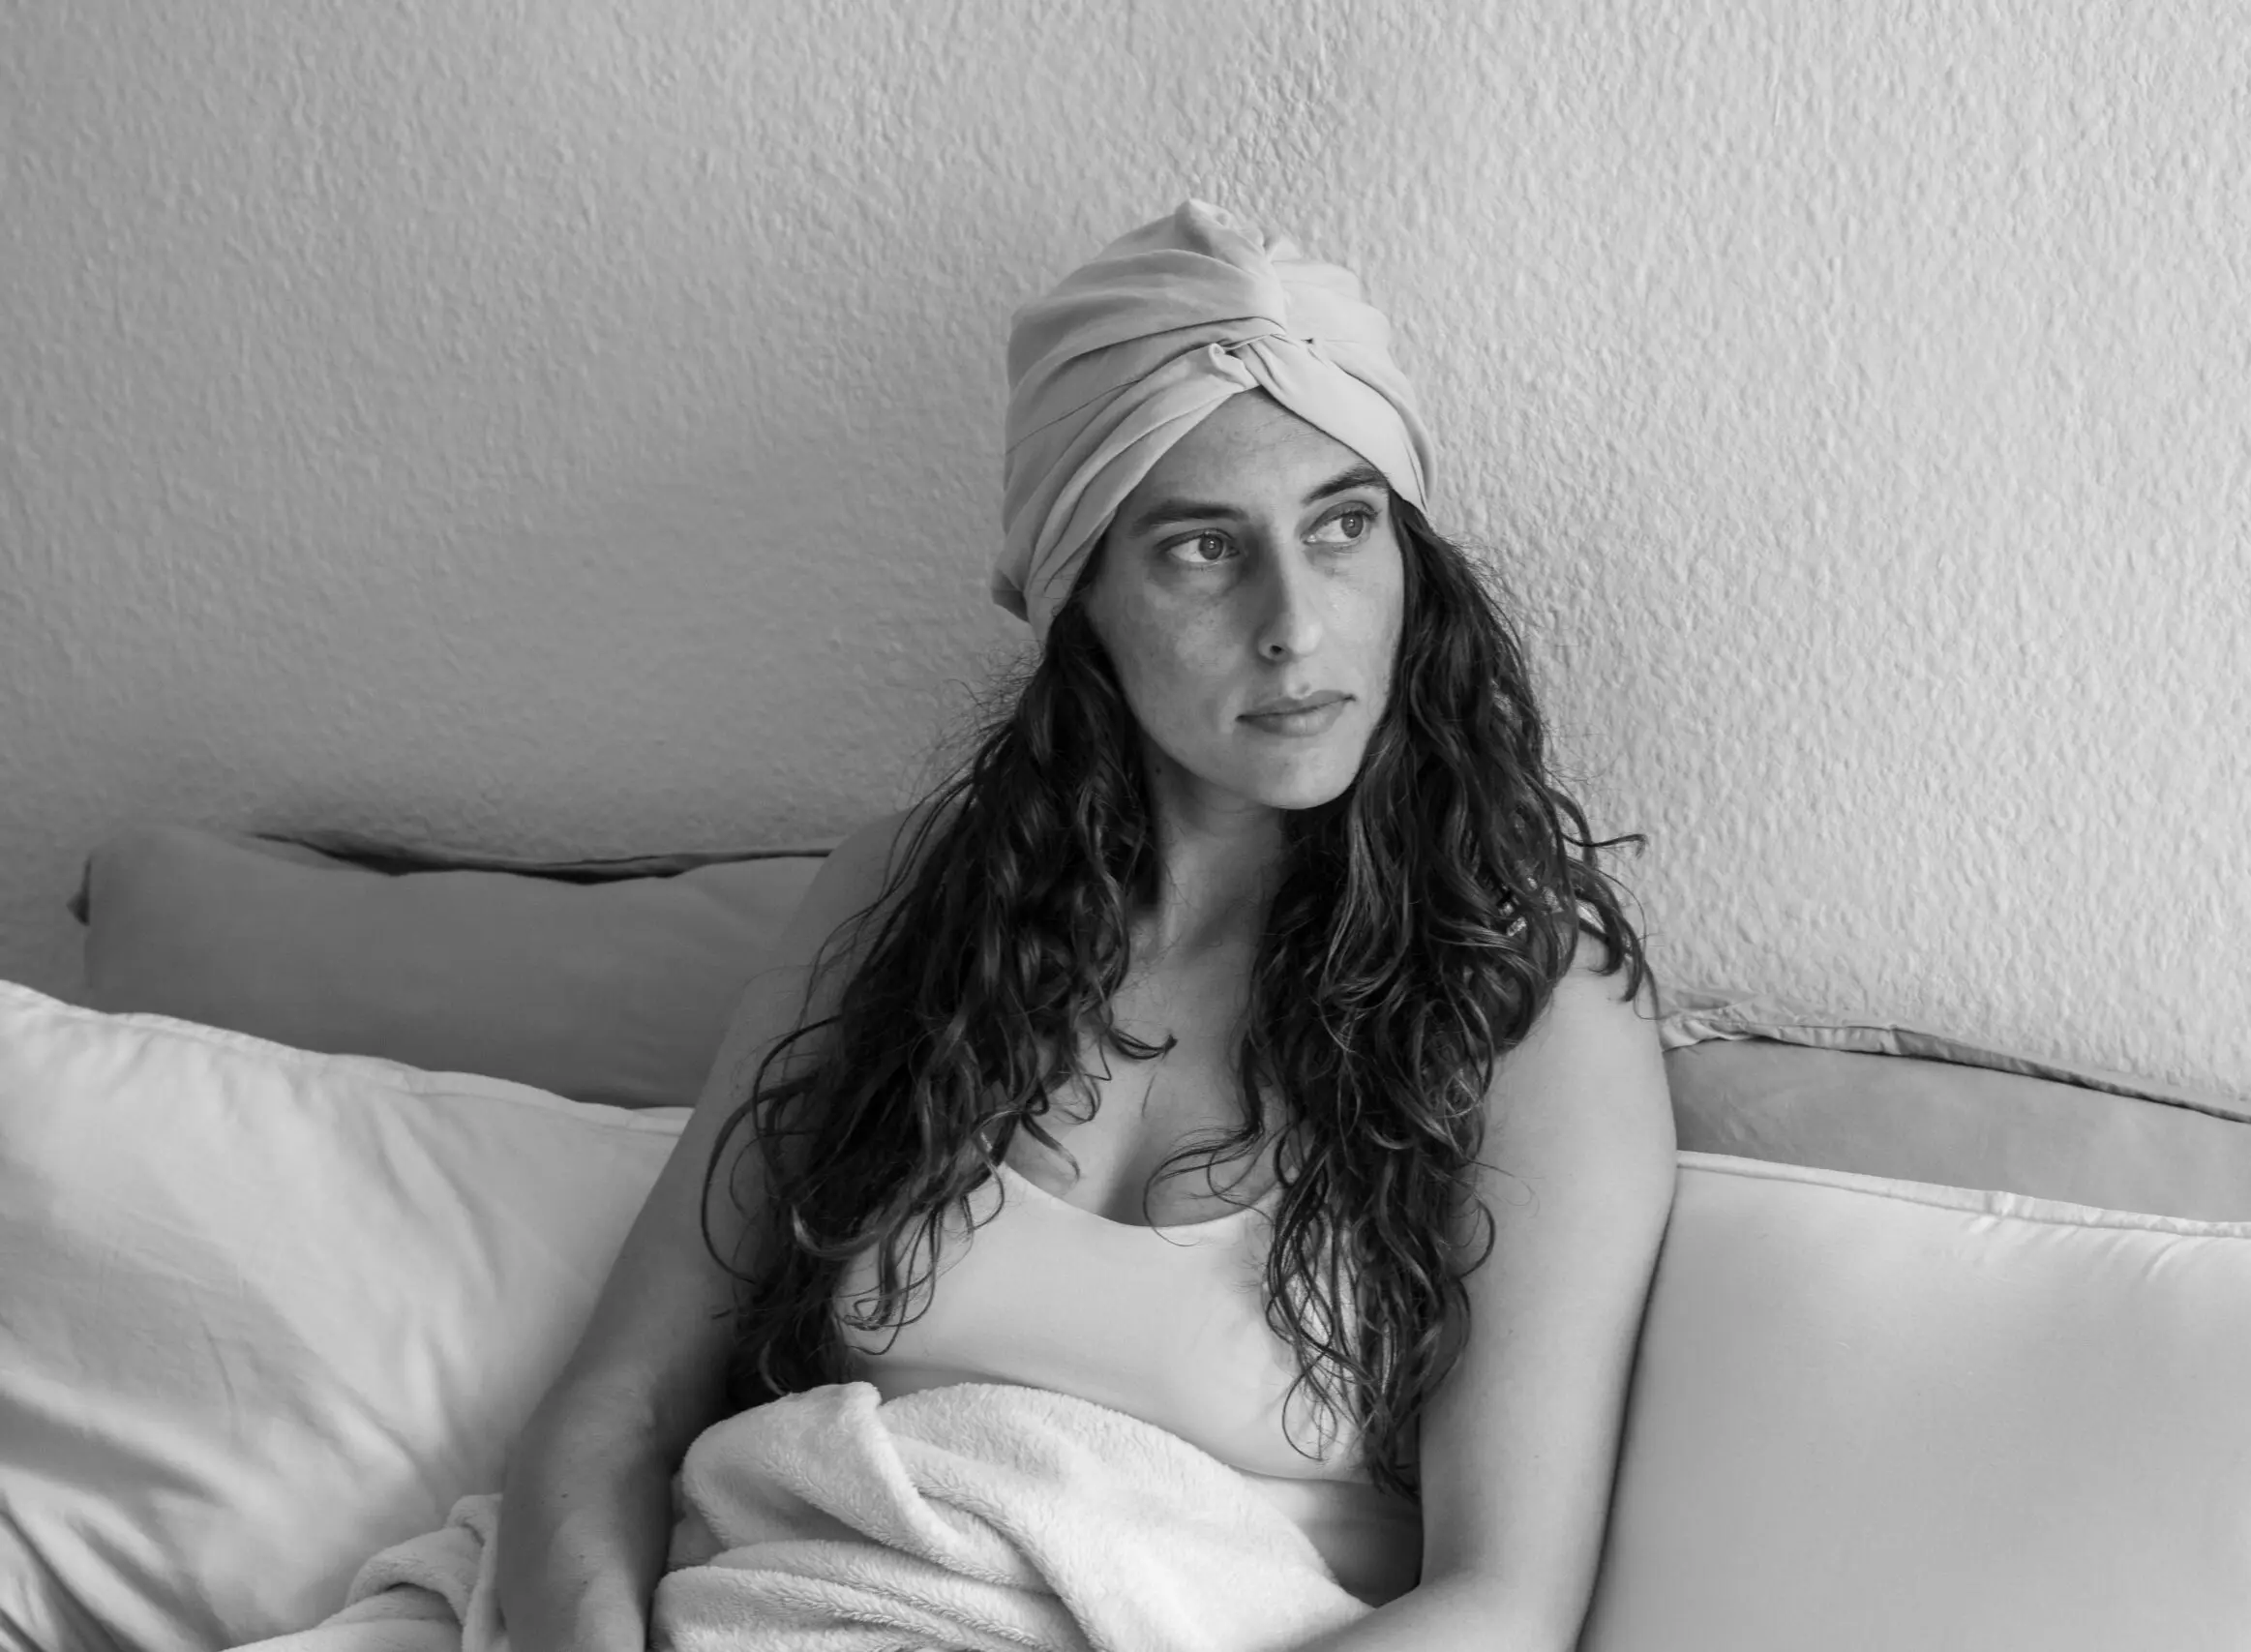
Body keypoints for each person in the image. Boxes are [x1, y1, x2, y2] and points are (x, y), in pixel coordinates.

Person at [495, 198, 1676, 1650]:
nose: (1297, 624)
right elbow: (616, 1406)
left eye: (1345, 524)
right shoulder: (902, 900)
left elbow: (1507, 1603)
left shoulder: (1533, 1013)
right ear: (1082, 600)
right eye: (1201, 549)